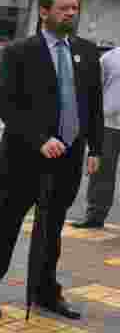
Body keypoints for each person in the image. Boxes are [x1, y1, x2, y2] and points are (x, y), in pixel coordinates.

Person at [0, 0, 103, 320]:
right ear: (44, 12)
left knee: (51, 228)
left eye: (74, 8)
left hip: (69, 157)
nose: (71, 13)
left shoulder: (86, 52)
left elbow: (93, 105)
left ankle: (44, 291)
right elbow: (5, 103)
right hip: (24, 157)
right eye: (64, 8)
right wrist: (39, 139)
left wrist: (96, 147)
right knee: (5, 224)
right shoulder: (20, 51)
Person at [72, 44, 120, 228]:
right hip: (108, 125)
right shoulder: (110, 58)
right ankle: (95, 216)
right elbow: (94, 89)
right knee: (101, 173)